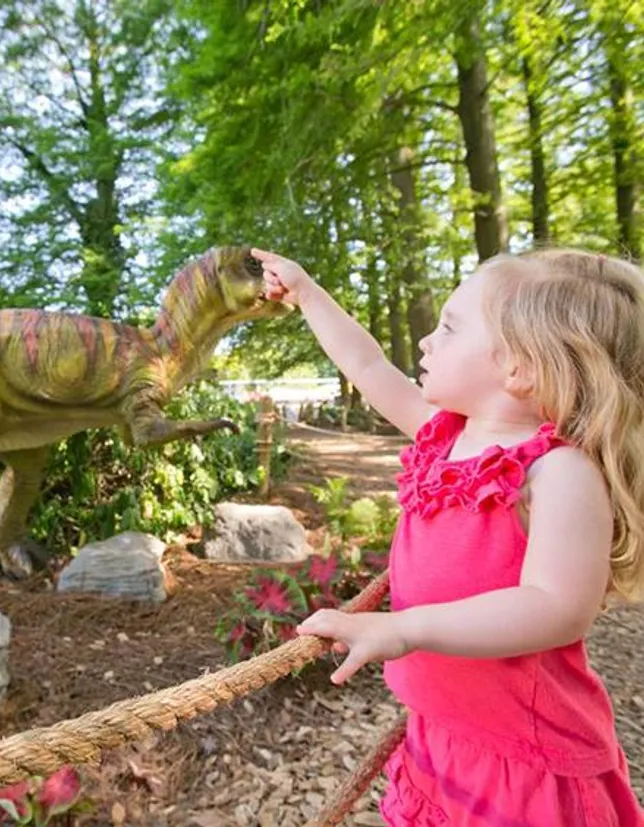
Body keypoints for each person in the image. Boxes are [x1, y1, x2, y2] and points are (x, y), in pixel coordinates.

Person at [251, 246, 644, 826]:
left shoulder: (557, 471)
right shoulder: (444, 437)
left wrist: (404, 628)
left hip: (523, 761)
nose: (428, 341)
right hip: (442, 733)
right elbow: (366, 366)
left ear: (520, 365)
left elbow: (558, 609)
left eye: (450, 327)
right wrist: (308, 293)